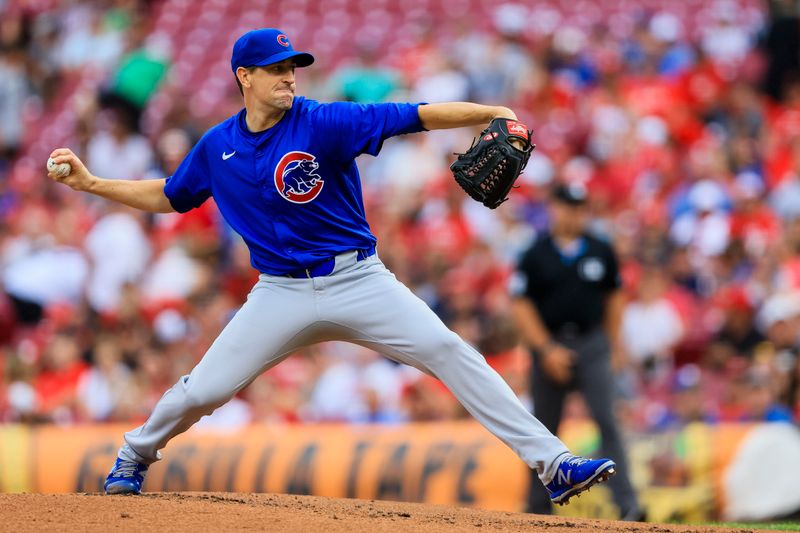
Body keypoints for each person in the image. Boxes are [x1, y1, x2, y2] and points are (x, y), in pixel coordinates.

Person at [48, 28, 616, 505]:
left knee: (450, 351)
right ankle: (132, 455)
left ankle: (552, 464)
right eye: (276, 69)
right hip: (279, 293)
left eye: (293, 67)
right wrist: (93, 183)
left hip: (358, 279)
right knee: (204, 390)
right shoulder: (216, 146)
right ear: (244, 77)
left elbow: (415, 115)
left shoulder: (322, 122)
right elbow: (171, 197)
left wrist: (493, 111)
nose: (290, 76)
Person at [509, 182, 643, 519]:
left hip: (591, 343)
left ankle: (628, 505)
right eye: (570, 206)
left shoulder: (601, 249)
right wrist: (545, 349)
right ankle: (538, 509)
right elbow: (522, 305)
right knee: (541, 429)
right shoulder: (535, 252)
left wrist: (613, 344)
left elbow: (614, 297)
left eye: (581, 207)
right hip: (550, 344)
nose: (576, 213)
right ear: (555, 208)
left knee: (607, 422)